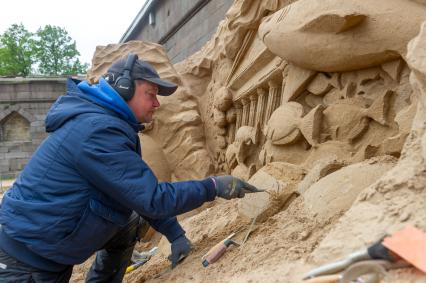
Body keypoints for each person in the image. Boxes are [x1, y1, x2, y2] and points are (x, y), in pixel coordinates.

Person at [0, 53, 261, 282]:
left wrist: (175, 233)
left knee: (129, 222)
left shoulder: (106, 124)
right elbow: (152, 199)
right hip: (24, 263)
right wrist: (212, 186)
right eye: (151, 94)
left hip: (51, 251)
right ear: (124, 88)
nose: (157, 104)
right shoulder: (97, 131)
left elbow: (134, 195)